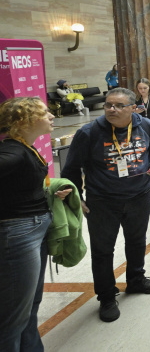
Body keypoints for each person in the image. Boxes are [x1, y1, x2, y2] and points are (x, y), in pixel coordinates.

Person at [61, 88, 150, 322]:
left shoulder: (145, 125)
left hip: (139, 196)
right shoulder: (89, 132)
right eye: (108, 105)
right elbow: (71, 169)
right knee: (102, 250)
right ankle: (106, 296)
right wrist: (76, 197)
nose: (111, 109)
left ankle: (136, 280)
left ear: (132, 108)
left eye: (119, 106)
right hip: (102, 201)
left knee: (137, 241)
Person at [0, 97, 72, 350]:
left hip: (33, 229)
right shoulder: (13, 151)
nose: (52, 116)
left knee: (30, 306)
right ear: (25, 121)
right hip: (20, 233)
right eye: (45, 113)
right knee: (14, 317)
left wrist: (50, 192)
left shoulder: (24, 147)